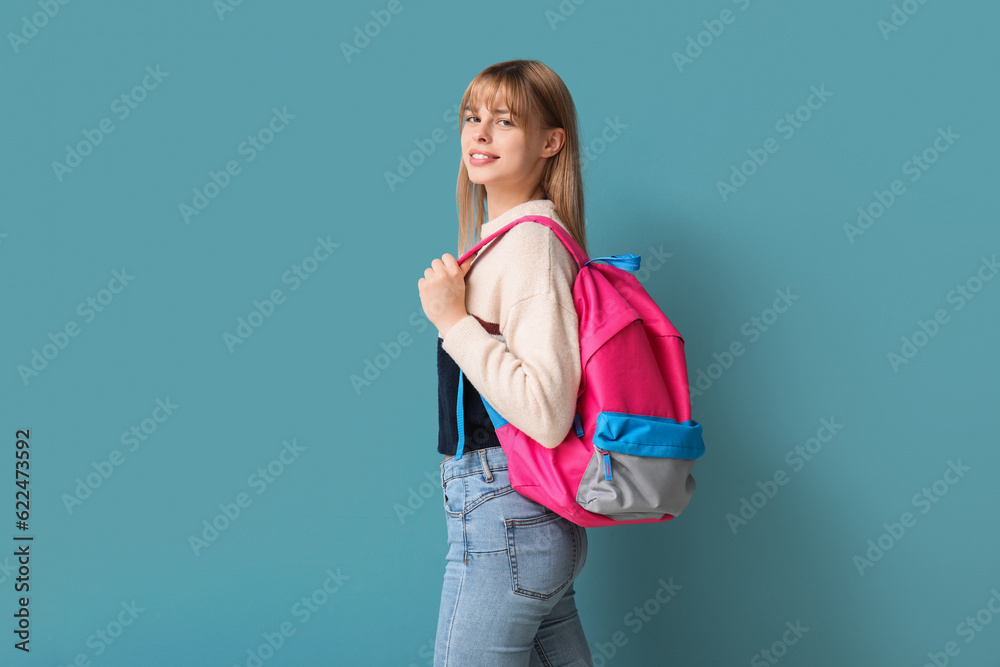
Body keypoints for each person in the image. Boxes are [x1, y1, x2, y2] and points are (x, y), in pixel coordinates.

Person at [417, 59, 594, 666]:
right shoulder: (506, 241)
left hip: (506, 517)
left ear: (550, 143)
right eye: (472, 117)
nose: (480, 133)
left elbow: (545, 411)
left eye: (504, 120)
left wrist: (452, 321)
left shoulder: (530, 246)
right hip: (526, 519)